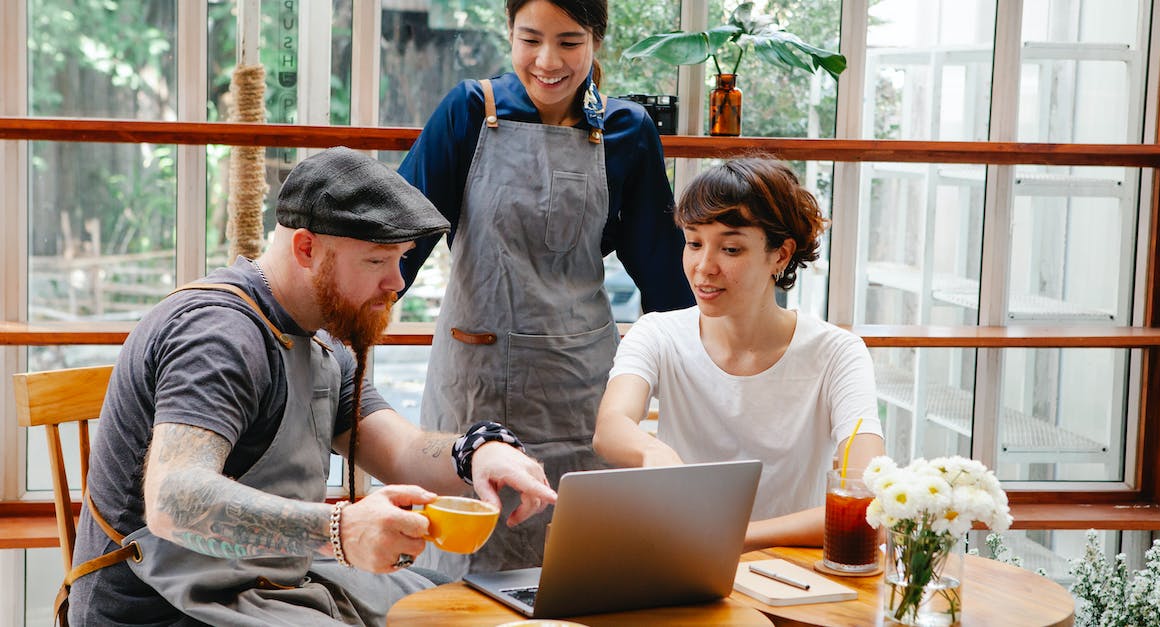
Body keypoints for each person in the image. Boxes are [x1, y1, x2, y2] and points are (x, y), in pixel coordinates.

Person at [66, 147, 558, 626]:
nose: (397, 283)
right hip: (162, 610)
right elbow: (175, 500)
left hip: (267, 585)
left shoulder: (321, 336)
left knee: (468, 608)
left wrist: (477, 453)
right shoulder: (219, 335)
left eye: (402, 259)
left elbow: (400, 447)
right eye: (376, 261)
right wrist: (339, 530)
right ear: (306, 248)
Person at [396, 0, 693, 576]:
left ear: (596, 41)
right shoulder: (468, 111)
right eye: (530, 39)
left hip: (580, 388)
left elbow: (664, 276)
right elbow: (401, 240)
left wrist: (710, 371)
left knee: (580, 567)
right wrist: (338, 328)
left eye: (569, 41)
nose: (548, 61)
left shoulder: (627, 131)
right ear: (509, 34)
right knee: (464, 569)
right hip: (474, 386)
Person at [592, 157, 886, 551]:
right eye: (694, 243)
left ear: (780, 255)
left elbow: (866, 500)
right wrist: (651, 450)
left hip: (796, 572)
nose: (703, 267)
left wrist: (729, 537)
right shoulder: (659, 333)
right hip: (686, 562)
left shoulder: (837, 354)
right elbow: (610, 426)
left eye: (730, 248)